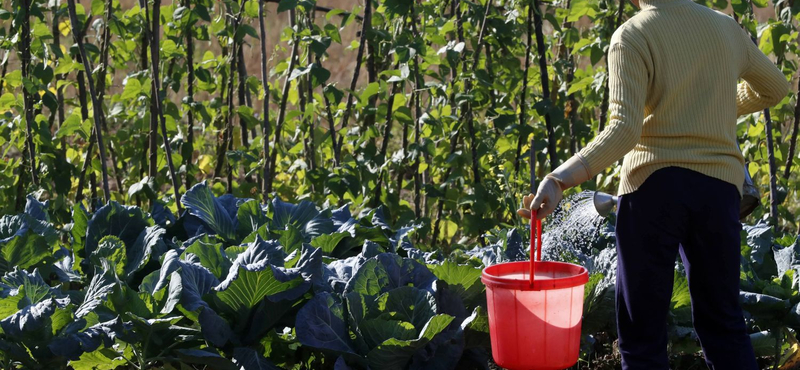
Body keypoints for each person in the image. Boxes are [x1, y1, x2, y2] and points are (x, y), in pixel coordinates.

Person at [516, 0, 791, 368]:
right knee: (724, 324)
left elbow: (625, 130)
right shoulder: (727, 29)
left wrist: (558, 179)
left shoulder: (632, 34)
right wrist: (712, 105)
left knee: (642, 332)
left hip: (652, 187)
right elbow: (776, 88)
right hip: (718, 190)